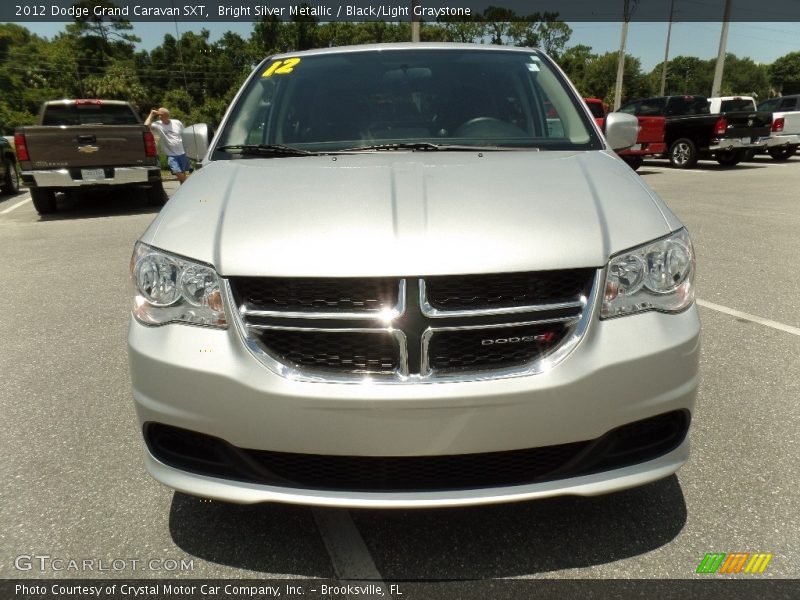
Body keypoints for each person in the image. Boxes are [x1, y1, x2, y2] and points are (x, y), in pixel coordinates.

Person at [145, 107, 190, 184]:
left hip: (182, 152)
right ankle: (188, 184)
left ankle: (185, 190)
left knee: (182, 173)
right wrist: (151, 114)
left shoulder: (177, 122)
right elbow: (146, 126)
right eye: (158, 115)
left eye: (161, 115)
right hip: (171, 154)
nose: (159, 117)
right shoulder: (158, 124)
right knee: (177, 172)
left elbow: (184, 133)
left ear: (167, 115)